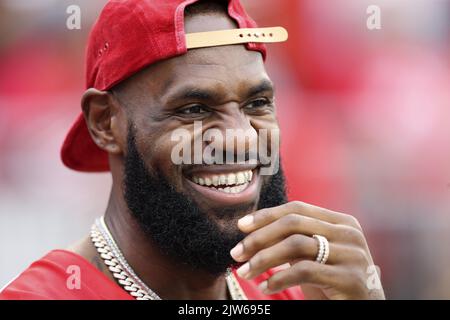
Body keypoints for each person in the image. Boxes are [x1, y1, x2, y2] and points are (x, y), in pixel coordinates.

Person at [0, 0, 385, 300]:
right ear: (105, 122)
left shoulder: (298, 285)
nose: (241, 138)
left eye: (257, 104)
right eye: (194, 109)